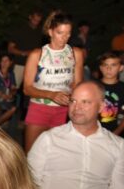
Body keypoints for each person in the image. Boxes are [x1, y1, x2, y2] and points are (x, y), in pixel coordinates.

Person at [23, 11, 84, 153]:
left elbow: (78, 85)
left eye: (68, 33)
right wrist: (51, 95)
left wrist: (73, 99)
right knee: (31, 154)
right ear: (50, 32)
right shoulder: (37, 54)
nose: (64, 37)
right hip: (39, 108)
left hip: (63, 110)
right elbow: (27, 88)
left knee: (54, 155)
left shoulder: (76, 53)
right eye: (60, 33)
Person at [96, 51, 124, 136]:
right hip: (91, 130)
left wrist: (115, 134)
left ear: (121, 68)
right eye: (105, 65)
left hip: (113, 130)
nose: (108, 69)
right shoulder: (92, 85)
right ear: (101, 68)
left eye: (113, 65)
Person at [7, 10, 43, 91]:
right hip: (19, 64)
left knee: (31, 90)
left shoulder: (39, 32)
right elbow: (10, 49)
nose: (36, 23)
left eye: (38, 21)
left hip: (33, 66)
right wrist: (24, 53)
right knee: (13, 89)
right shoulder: (20, 30)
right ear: (30, 17)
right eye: (34, 20)